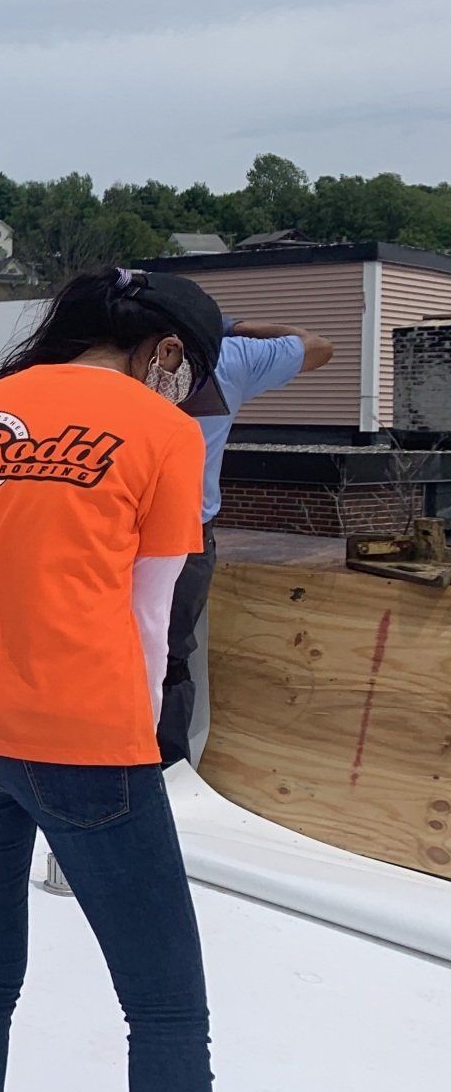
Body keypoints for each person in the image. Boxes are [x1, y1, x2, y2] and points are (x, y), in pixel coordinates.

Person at [0, 266, 223, 1092]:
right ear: (163, 352)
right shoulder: (165, 430)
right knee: (164, 1007)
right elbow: (151, 615)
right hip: (87, 739)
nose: (189, 388)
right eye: (191, 369)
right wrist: (134, 730)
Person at [159, 313, 333, 765]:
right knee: (170, 658)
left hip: (115, 527)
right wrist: (240, 328)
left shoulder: (108, 361)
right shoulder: (228, 356)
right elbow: (315, 344)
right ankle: (168, 772)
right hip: (184, 535)